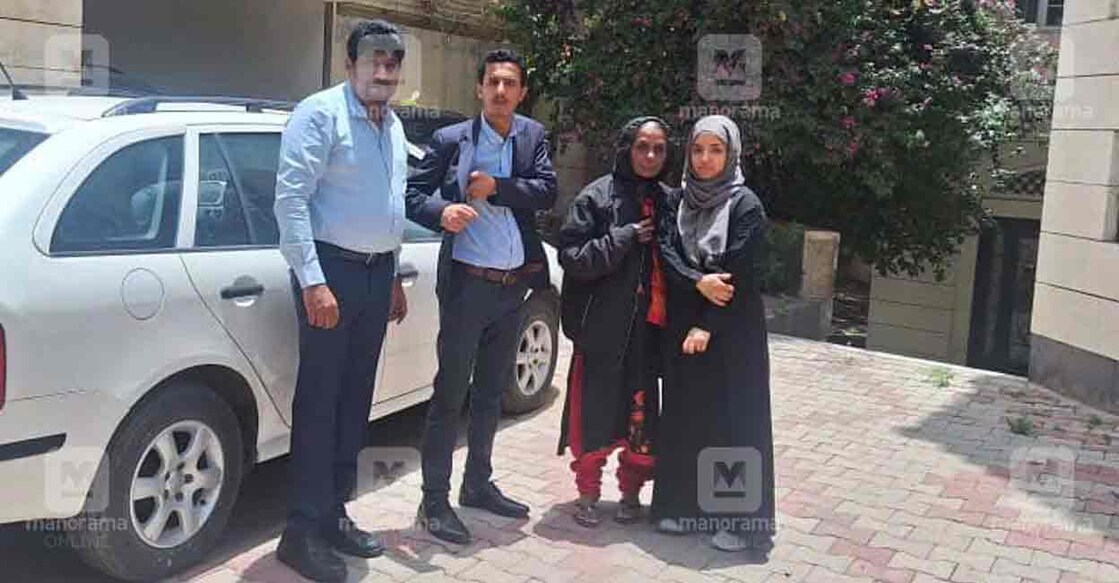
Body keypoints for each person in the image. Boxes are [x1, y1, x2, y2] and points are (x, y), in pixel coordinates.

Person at [273, 20, 410, 583]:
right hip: (331, 275)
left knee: (355, 402)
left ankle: (332, 513)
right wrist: (313, 281)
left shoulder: (392, 124)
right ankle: (299, 533)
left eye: (393, 61)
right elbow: (290, 201)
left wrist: (396, 271)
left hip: (377, 277)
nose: (383, 70)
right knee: (321, 403)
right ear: (350, 63)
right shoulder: (320, 114)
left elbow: (389, 204)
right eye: (374, 59)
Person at [405, 48, 558, 545]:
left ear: (521, 92)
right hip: (468, 284)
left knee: (492, 393)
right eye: (492, 82)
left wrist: (498, 188)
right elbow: (412, 194)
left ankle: (477, 484)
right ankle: (434, 500)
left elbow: (546, 191)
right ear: (479, 89)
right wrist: (443, 212)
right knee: (451, 394)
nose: (499, 91)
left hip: (512, 286)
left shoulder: (531, 135)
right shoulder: (451, 139)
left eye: (509, 83)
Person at [651, 115, 776, 555]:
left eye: (716, 150)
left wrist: (707, 323)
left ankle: (739, 523)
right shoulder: (676, 200)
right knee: (686, 415)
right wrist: (696, 281)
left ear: (732, 154)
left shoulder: (746, 206)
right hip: (684, 322)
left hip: (732, 330)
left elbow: (740, 274)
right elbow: (667, 252)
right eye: (699, 150)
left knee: (733, 423)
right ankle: (682, 506)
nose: (705, 159)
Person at [556, 117, 672, 528]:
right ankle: (587, 493)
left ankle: (631, 494)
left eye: (659, 149)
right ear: (627, 148)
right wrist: (621, 239)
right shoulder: (596, 197)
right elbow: (570, 256)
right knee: (595, 414)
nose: (651, 156)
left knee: (641, 419)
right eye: (643, 147)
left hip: (648, 334)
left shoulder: (668, 202)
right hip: (602, 332)